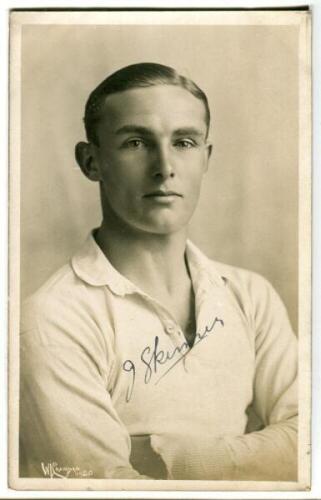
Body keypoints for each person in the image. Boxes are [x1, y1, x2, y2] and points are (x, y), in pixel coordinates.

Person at [20, 62, 298, 481]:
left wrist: (173, 457)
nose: (164, 166)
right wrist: (261, 454)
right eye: (135, 142)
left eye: (184, 142)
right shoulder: (51, 320)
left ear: (206, 158)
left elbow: (310, 446)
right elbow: (101, 489)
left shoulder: (251, 295)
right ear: (91, 161)